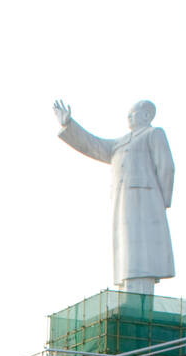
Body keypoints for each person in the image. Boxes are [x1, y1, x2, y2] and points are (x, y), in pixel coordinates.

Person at [53, 97, 175, 293]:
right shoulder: (120, 143)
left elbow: (166, 167)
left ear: (146, 115)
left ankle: (140, 298)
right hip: (124, 202)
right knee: (128, 251)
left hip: (146, 200)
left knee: (144, 252)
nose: (128, 117)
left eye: (132, 113)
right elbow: (94, 145)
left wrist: (161, 202)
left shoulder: (154, 134)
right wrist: (69, 124)